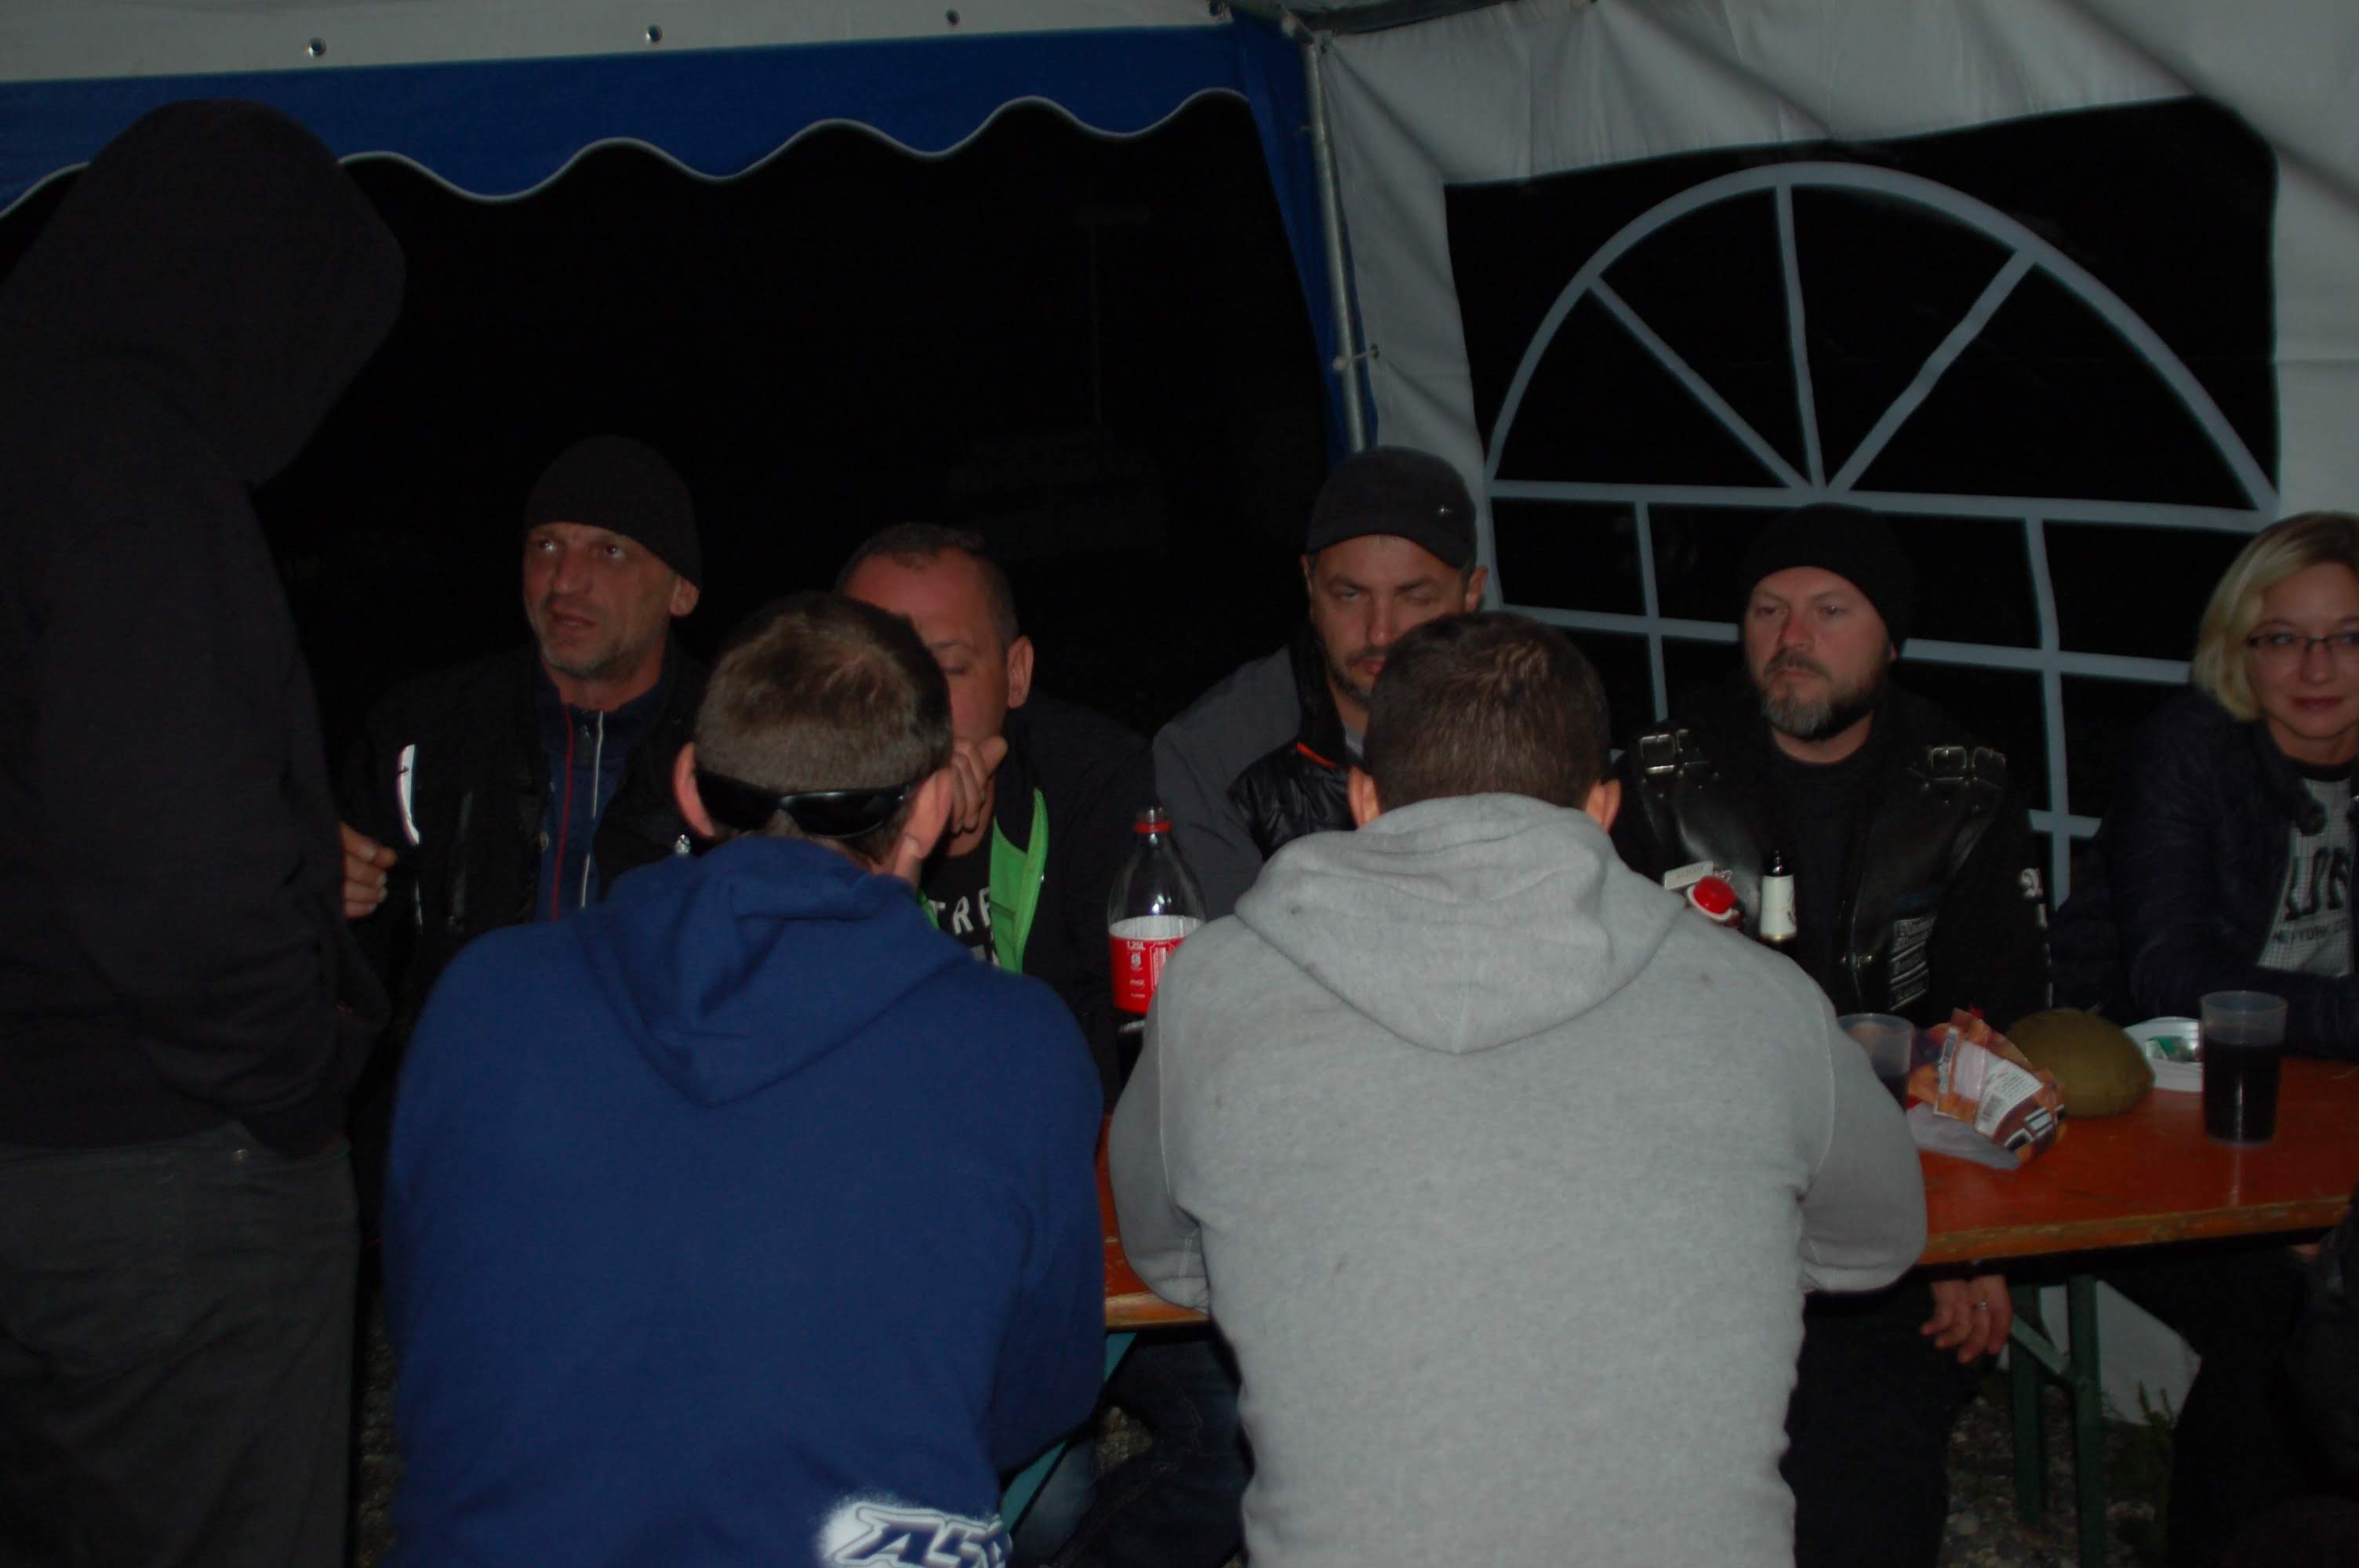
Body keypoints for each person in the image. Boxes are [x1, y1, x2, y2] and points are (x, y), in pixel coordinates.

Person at [1110, 611, 1927, 1566]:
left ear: (1363, 798)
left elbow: (1166, 1256)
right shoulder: (1765, 1001)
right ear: (1601, 807)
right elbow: (1878, 1238)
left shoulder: (1209, 991)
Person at [384, 593, 1104, 1565]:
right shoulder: (1016, 1046)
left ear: (691, 787)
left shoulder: (483, 999)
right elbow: (1041, 1395)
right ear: (934, 805)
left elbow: (428, 1326)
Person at [0, 101, 402, 1565]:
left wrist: (288, 866)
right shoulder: (129, 476)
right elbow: (177, 879)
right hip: (157, 1170)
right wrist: (294, 1086)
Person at [1610, 501, 2042, 1568]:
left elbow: (1993, 1028)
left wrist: (1965, 1244)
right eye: (1767, 609)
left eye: (1829, 610)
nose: (1791, 637)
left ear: (1890, 639)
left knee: (1859, 1479)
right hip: (1700, 1198)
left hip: (1893, 1200)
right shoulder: (1658, 777)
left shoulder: (1963, 784)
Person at [2049, 511, 2359, 1565]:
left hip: (2318, 1099)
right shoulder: (2192, 748)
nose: (2315, 668)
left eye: (2347, 637)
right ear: (2240, 648)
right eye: (2282, 638)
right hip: (2153, 1103)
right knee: (2285, 1310)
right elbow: (2171, 979)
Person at [340, 434, 707, 1223]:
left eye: (610, 550)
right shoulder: (424, 731)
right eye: (545, 545)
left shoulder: (736, 748)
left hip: (669, 1177)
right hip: (464, 1168)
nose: (564, 580)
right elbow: (347, 971)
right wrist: (310, 892)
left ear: (681, 590)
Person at [839, 524, 1153, 1100]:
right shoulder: (803, 808)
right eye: (872, 674)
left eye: (947, 669)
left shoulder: (1096, 783)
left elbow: (1132, 1051)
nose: (910, 707)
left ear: (1016, 675)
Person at [1155, 444, 1488, 920]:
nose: (1380, 632)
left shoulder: (1530, 725)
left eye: (1414, 598)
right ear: (1310, 586)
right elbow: (1228, 958)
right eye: (1350, 595)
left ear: (1472, 593)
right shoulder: (1215, 755)